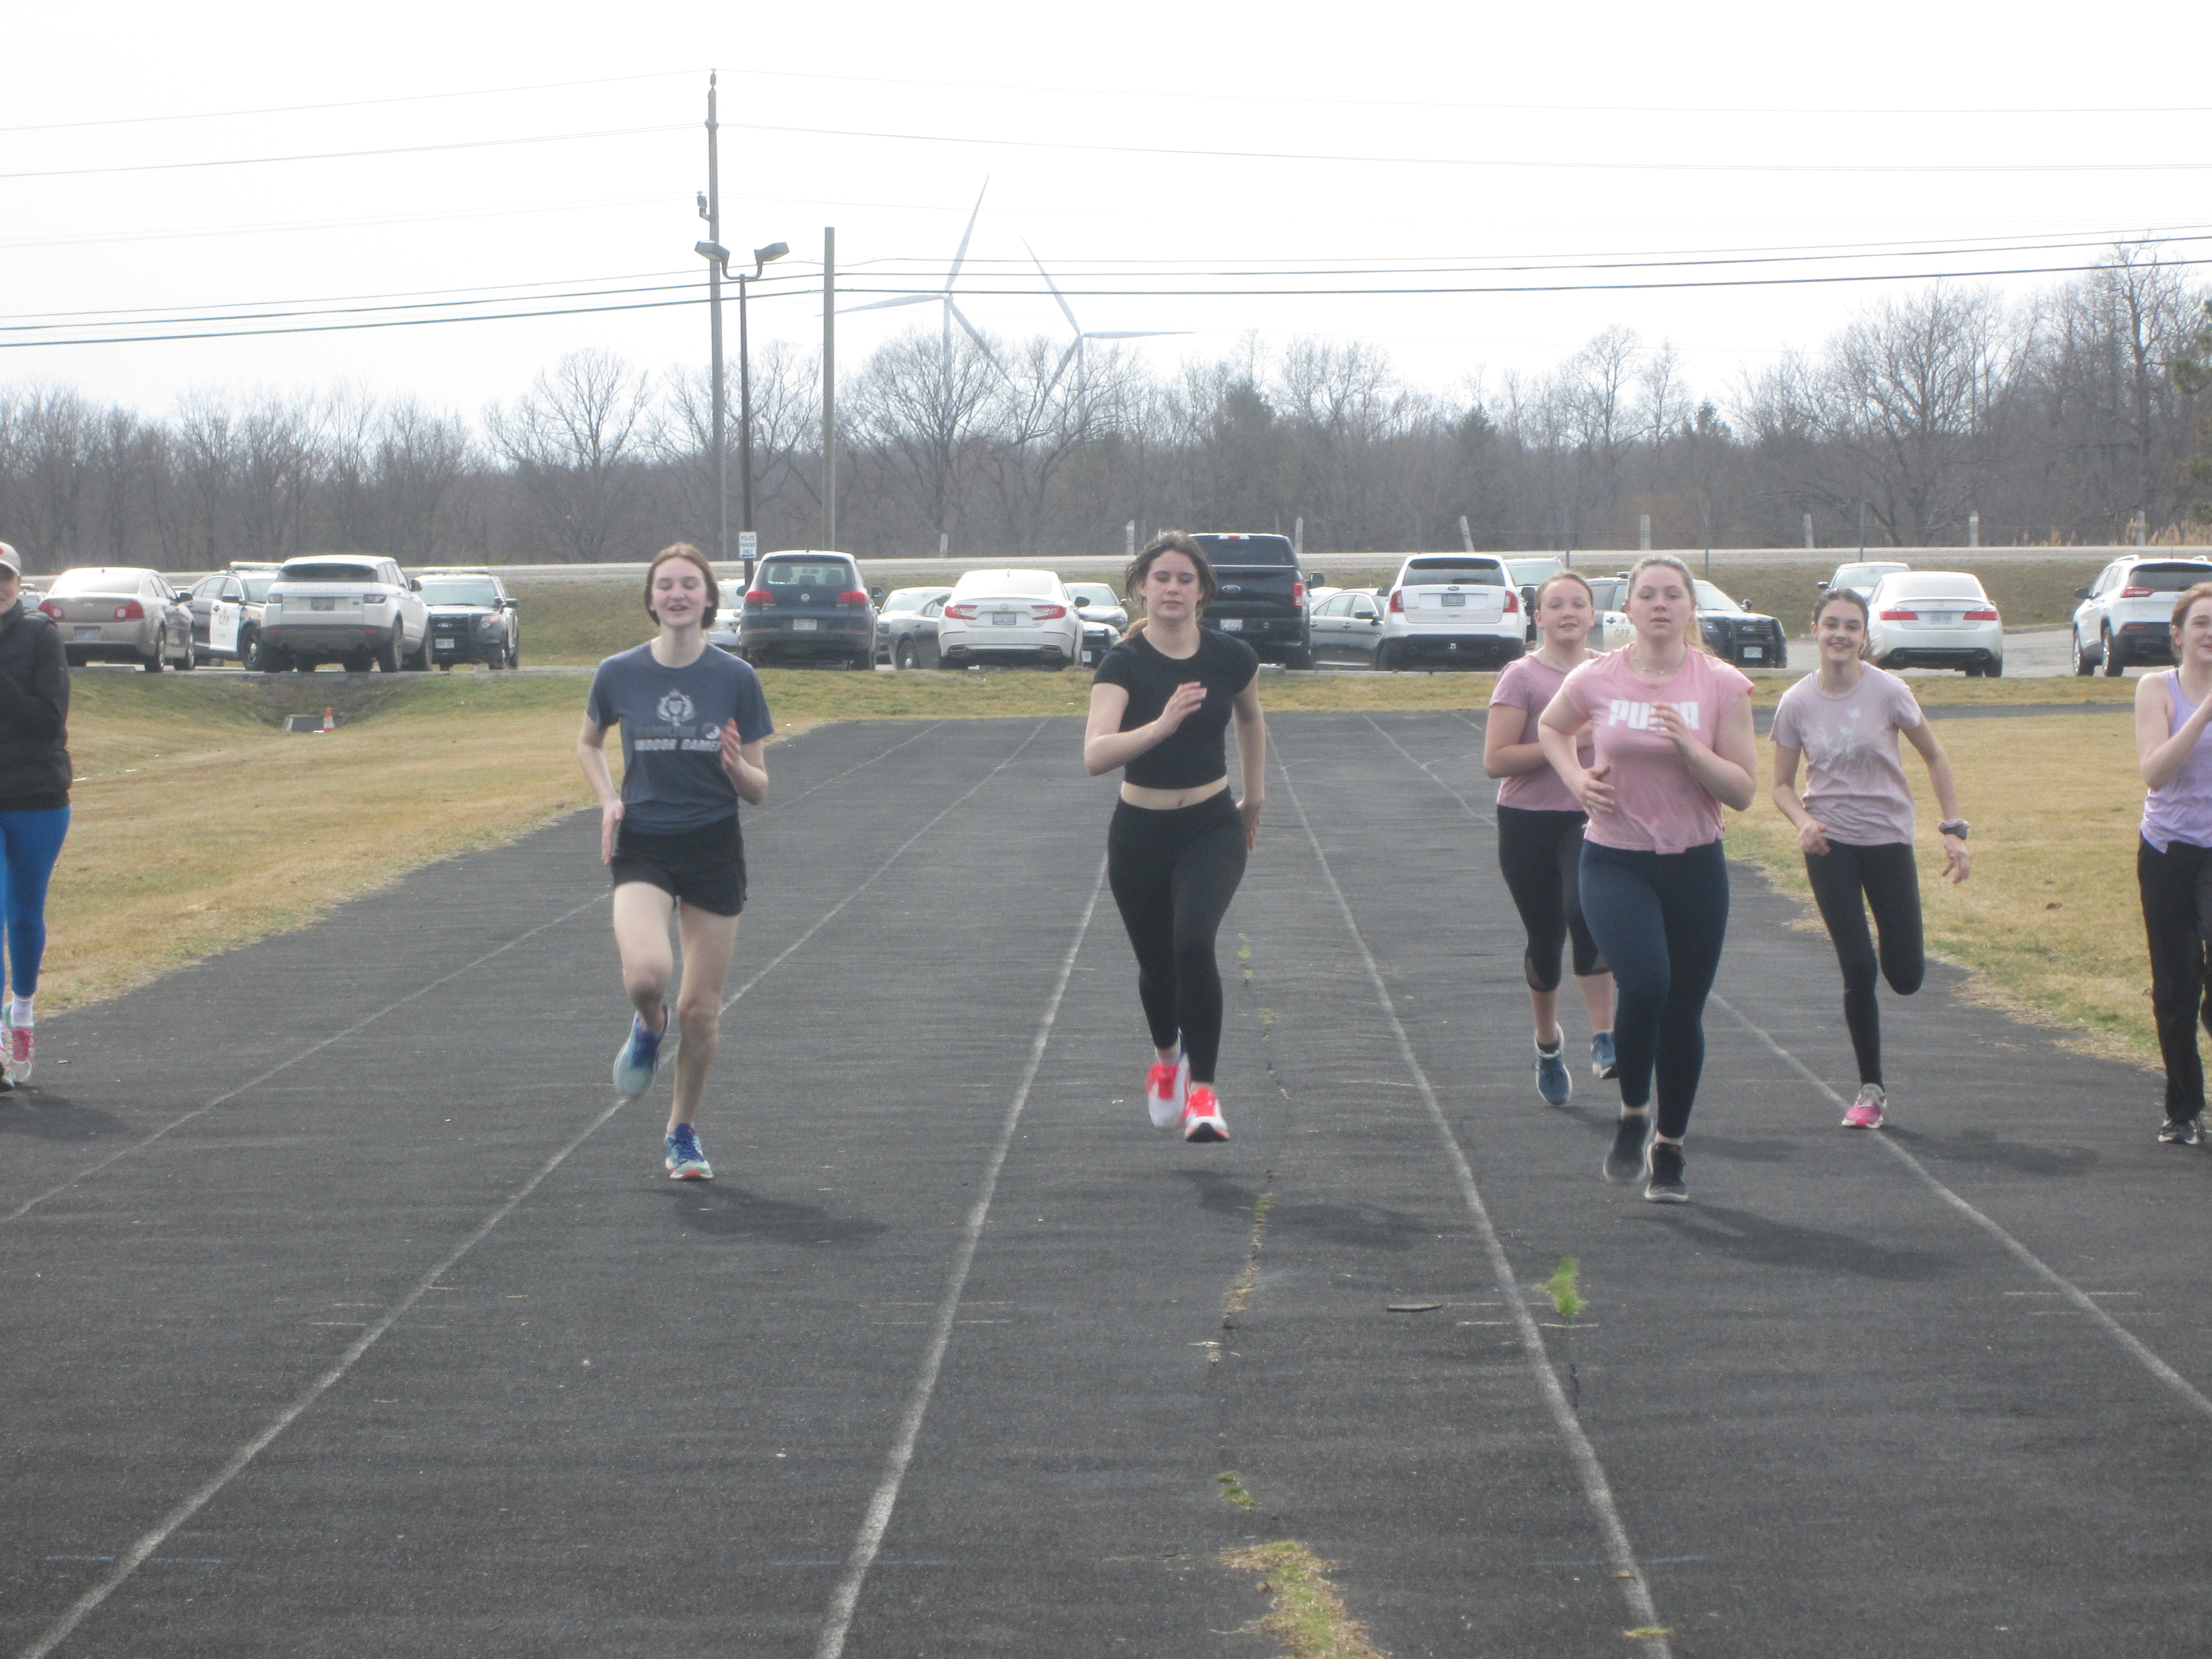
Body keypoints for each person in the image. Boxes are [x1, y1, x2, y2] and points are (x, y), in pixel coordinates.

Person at [1539, 554, 1758, 1202]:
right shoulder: (1597, 677)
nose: (1660, 604)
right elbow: (1553, 729)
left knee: (1684, 1011)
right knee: (1647, 982)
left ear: (1691, 608)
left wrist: (1693, 749)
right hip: (1615, 857)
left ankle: (1671, 1149)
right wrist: (1578, 779)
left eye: (1673, 595)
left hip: (1695, 863)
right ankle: (1635, 1112)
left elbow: (1743, 791)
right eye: (1647, 595)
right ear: (1628, 609)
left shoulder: (1722, 685)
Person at [578, 543, 772, 1180]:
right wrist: (609, 800)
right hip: (645, 841)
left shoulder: (736, 678)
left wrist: (735, 765)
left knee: (701, 1011)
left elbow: (760, 789)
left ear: (710, 599)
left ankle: (682, 1134)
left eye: (691, 584)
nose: (679, 594)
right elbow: (588, 743)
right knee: (647, 978)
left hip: (713, 842)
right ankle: (646, 1026)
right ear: (651, 599)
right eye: (666, 585)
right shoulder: (618, 673)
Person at [1084, 531, 1264, 1143]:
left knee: (1194, 944)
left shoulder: (1229, 657)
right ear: (1141, 587)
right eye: (1162, 577)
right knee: (1157, 967)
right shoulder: (1123, 665)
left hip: (1211, 826)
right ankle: (1168, 1063)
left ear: (1203, 592)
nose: (1173, 589)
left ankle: (1206, 1097)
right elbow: (1096, 754)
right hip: (1140, 833)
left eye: (1186, 579)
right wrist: (1161, 726)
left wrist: (1255, 793)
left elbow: (1250, 715)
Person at [1770, 588, 1971, 1130]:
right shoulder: (1796, 703)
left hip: (1887, 840)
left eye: (1852, 626)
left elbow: (1934, 756)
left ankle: (1896, 951)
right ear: (1814, 629)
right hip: (1830, 846)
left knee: (1904, 976)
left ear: (1864, 636)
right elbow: (1782, 787)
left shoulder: (1889, 692)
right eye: (1831, 624)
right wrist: (1803, 822)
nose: (1840, 634)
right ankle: (1871, 1089)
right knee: (1858, 967)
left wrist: (1953, 829)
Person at [1484, 572, 1616, 1105]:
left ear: (1592, 616)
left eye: (1577, 604)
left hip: (1590, 816)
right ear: (1537, 618)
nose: (1567, 612)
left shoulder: (1610, 674)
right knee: (1545, 940)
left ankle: (1605, 1038)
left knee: (1586, 912)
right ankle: (1547, 1044)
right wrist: (1565, 739)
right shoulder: (1522, 677)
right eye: (1554, 604)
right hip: (1527, 821)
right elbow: (1496, 761)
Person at [2135, 581, 2212, 1145]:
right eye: (2202, 623)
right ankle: (2183, 1108)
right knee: (2175, 986)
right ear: (2179, 635)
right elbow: (2156, 772)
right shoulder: (2156, 689)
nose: (2211, 633)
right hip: (2166, 851)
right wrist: (2206, 710)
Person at [0, 541, 70, 1089]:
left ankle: (21, 1014)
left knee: (24, 915)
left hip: (36, 794)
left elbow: (47, 722)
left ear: (18, 584)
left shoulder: (41, 638)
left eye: (4, 578)